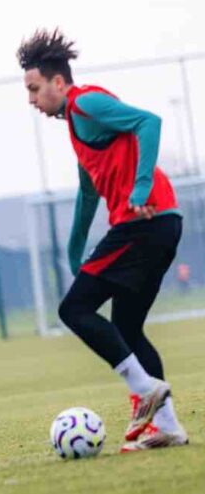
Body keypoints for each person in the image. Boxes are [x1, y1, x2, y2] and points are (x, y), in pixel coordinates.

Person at [18, 29, 187, 452]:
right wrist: (74, 250)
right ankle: (168, 427)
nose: (31, 100)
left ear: (59, 82)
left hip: (143, 223)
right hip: (159, 225)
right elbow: (88, 193)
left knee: (73, 309)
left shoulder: (86, 103)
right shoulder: (78, 125)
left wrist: (141, 188)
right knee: (127, 327)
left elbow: (149, 122)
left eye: (34, 89)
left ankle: (145, 389)